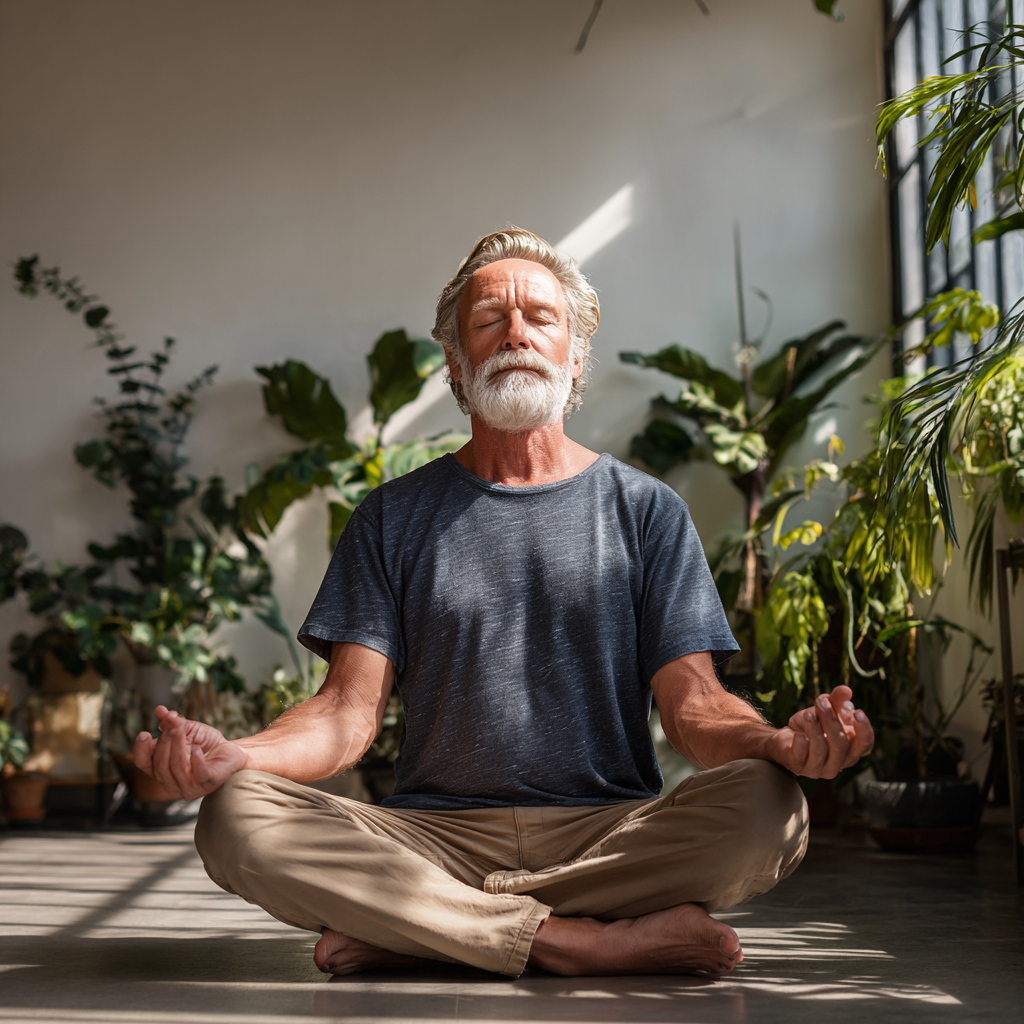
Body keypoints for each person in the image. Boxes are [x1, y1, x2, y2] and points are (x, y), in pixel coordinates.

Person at [134, 228, 874, 980]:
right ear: (457, 362)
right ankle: (581, 942)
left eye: (541, 318)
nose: (516, 333)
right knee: (234, 818)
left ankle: (426, 928)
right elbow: (343, 716)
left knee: (770, 809)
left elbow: (696, 710)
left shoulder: (648, 511)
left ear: (576, 354)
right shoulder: (391, 518)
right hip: (432, 838)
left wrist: (779, 745)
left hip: (609, 834)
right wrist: (237, 756)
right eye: (489, 319)